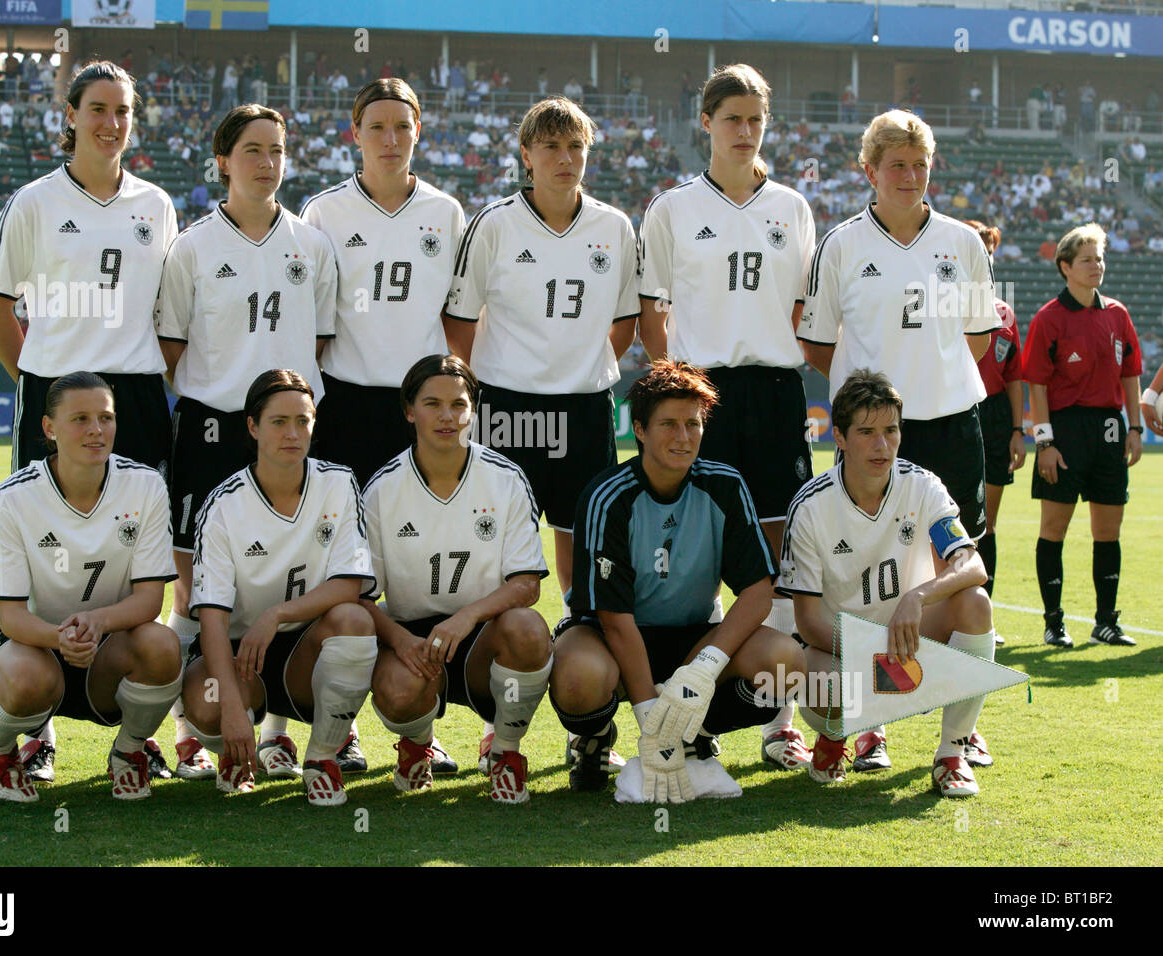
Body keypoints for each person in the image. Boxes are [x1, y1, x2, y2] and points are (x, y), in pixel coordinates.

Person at [0, 60, 178, 783]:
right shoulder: (33, 201)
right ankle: (35, 727)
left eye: (123, 110)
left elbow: (166, 314)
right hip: (58, 391)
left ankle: (138, 725)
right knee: (45, 547)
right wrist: (41, 387)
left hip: (139, 394)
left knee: (136, 547)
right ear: (70, 115)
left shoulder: (156, 204)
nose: (110, 123)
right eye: (97, 108)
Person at [797, 110, 997, 773]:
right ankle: (871, 725)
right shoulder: (842, 245)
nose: (910, 177)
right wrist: (876, 410)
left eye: (920, 164)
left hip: (948, 426)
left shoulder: (962, 242)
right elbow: (819, 343)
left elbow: (975, 337)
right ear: (870, 171)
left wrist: (928, 383)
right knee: (859, 574)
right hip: (871, 433)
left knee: (955, 576)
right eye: (897, 165)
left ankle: (958, 735)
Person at [638, 65, 817, 768]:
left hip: (774, 392)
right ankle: (691, 706)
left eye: (756, 120)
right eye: (732, 118)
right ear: (705, 122)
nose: (745, 132)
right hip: (703, 393)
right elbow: (652, 307)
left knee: (779, 553)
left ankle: (780, 722)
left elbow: (803, 311)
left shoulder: (793, 208)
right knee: (698, 553)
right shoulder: (674, 209)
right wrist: (676, 384)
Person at [155, 103, 336, 780]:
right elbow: (172, 348)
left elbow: (318, 343)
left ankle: (279, 734)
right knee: (189, 588)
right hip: (209, 428)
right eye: (253, 150)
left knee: (287, 578)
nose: (267, 162)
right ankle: (182, 735)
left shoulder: (311, 246)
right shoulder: (193, 246)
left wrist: (278, 412)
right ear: (224, 160)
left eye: (278, 150)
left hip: (285, 428)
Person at [549, 361, 805, 799]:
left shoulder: (725, 484)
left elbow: (759, 592)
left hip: (692, 634)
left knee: (786, 664)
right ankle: (595, 740)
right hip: (612, 636)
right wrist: (650, 715)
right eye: (668, 424)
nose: (683, 437)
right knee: (578, 677)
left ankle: (692, 732)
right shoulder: (606, 495)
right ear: (641, 430)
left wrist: (703, 670)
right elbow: (613, 617)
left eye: (693, 423)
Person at [444, 95, 639, 606]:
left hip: (584, 407)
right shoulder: (494, 224)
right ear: (526, 155)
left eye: (576, 146)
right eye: (550, 146)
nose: (565, 158)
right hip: (507, 405)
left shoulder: (614, 227)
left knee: (582, 537)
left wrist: (583, 366)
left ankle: (577, 633)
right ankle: (493, 641)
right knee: (497, 537)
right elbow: (458, 324)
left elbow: (625, 322)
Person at [779, 370, 997, 797]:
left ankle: (952, 753)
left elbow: (972, 565)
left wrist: (919, 596)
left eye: (891, 431)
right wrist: (873, 654)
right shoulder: (810, 508)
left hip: (910, 638)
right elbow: (806, 624)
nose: (882, 445)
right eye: (866, 432)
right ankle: (835, 735)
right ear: (838, 437)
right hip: (840, 651)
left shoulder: (922, 486)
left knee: (975, 603)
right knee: (819, 684)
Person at [0, 372, 182, 803]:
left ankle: (129, 753)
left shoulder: (144, 485)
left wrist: (94, 622)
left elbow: (149, 600)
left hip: (108, 651)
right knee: (28, 676)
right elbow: (11, 615)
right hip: (34, 648)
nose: (96, 430)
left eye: (105, 418)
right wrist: (61, 637)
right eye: (81, 419)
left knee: (163, 646)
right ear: (49, 428)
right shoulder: (14, 497)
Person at [361, 355, 553, 802]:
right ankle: (415, 746)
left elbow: (527, 584)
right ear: (409, 410)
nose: (447, 416)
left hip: (483, 634)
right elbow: (361, 597)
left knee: (528, 628)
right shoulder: (382, 489)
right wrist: (401, 640)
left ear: (473, 410)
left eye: (458, 404)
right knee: (398, 687)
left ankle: (505, 752)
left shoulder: (506, 479)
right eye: (432, 404)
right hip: (412, 634)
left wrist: (466, 617)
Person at [183, 370, 378, 804]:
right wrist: (233, 709)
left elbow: (350, 583)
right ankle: (236, 749)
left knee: (355, 619)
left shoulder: (339, 483)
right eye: (278, 422)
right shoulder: (222, 505)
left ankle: (323, 756)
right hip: (240, 657)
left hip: (308, 652)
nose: (293, 433)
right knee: (208, 702)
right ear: (252, 426)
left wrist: (278, 614)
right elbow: (212, 620)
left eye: (303, 421)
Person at [301, 79, 465, 490]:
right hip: (345, 399)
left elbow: (457, 312)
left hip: (422, 401)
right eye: (376, 127)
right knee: (344, 533)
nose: (391, 140)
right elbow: (309, 318)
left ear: (418, 131)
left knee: (419, 533)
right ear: (355, 133)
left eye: (403, 127)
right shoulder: (324, 211)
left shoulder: (446, 212)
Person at [1022, 223, 1143, 648]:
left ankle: (1106, 621)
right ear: (1065, 267)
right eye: (1088, 259)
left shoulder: (1118, 314)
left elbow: (1130, 375)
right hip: (1065, 431)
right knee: (1054, 528)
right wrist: (1045, 444)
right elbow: (1036, 384)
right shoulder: (1048, 319)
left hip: (1110, 430)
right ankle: (1054, 623)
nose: (1097, 266)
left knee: (1108, 530)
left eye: (1100, 258)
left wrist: (1135, 427)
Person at [964, 220, 1026, 645]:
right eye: (977, 246)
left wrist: (1020, 429)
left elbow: (1017, 374)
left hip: (995, 414)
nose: (984, 253)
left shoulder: (1005, 311)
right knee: (940, 519)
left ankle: (983, 617)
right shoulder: (941, 304)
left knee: (986, 524)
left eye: (989, 247)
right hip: (952, 410)